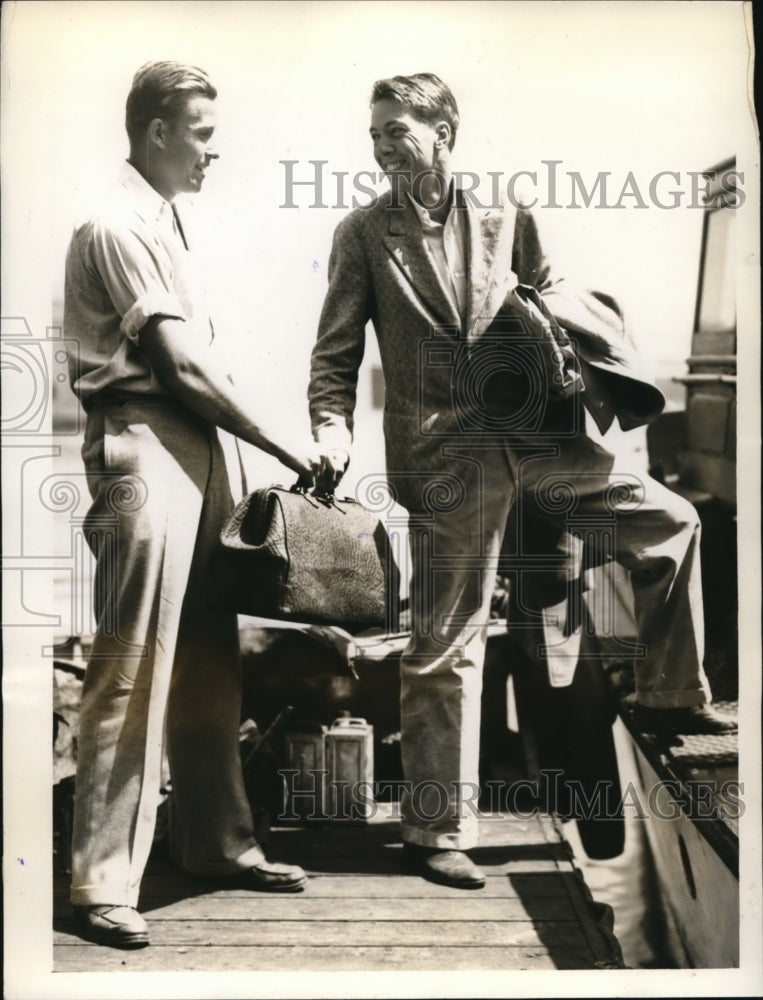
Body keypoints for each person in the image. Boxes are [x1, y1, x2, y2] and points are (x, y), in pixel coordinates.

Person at [308, 72, 736, 890]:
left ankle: (672, 694)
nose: (380, 145)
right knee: (446, 647)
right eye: (374, 133)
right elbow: (334, 354)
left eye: (396, 129)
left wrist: (572, 347)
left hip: (542, 443)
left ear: (443, 132)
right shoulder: (362, 234)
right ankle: (437, 833)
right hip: (443, 460)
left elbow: (555, 297)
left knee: (671, 524)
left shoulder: (509, 212)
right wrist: (330, 427)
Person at [64, 61, 330, 949]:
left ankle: (215, 842)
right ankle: (101, 882)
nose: (215, 149)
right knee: (132, 660)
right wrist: (290, 449)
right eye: (203, 132)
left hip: (196, 450)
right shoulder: (117, 223)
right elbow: (178, 368)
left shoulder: (167, 222)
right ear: (156, 132)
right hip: (142, 441)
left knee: (210, 651)